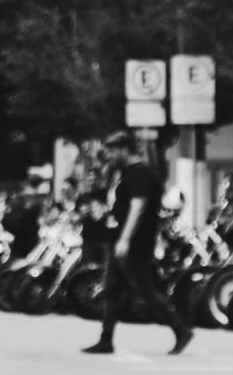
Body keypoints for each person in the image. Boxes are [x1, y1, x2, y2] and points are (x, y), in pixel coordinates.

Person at [82, 129, 193, 357]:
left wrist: (125, 239)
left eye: (113, 151)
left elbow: (138, 206)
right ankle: (105, 340)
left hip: (135, 244)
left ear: (124, 149)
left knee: (145, 289)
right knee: (112, 290)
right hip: (120, 241)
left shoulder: (140, 173)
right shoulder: (128, 173)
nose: (110, 156)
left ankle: (181, 330)